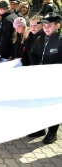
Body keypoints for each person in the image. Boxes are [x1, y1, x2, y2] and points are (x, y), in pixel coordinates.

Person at [29, 12, 62, 144]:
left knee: (52, 106)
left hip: (55, 81)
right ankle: (40, 128)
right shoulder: (40, 39)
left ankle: (52, 132)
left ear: (58, 25)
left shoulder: (60, 41)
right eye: (45, 25)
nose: (46, 27)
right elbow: (32, 54)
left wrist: (49, 71)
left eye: (49, 25)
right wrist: (37, 68)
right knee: (40, 104)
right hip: (40, 79)